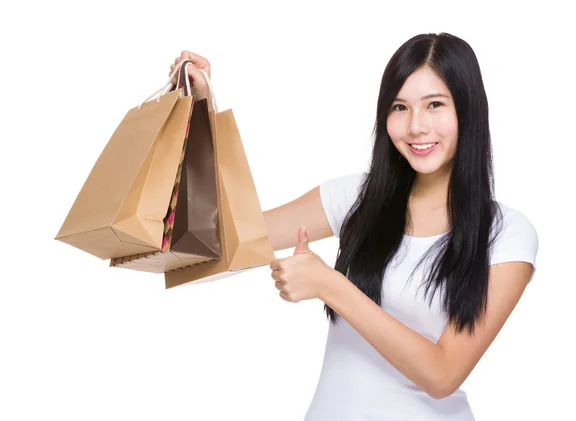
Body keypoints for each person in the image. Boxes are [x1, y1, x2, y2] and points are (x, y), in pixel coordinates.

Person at [170, 32, 538, 421]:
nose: (416, 126)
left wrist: (329, 285)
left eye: (435, 105)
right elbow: (220, 237)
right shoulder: (355, 198)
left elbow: (443, 374)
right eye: (400, 107)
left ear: (468, 109)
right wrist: (201, 110)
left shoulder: (507, 234)